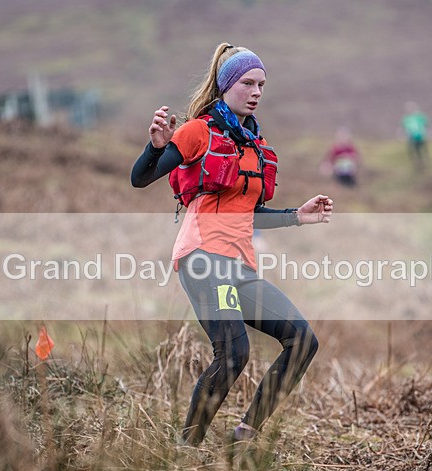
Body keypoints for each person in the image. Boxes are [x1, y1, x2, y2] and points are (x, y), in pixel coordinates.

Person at [130, 43, 334, 446]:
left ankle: (244, 435)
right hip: (204, 259)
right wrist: (155, 145)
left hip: (240, 266)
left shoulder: (254, 147)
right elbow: (142, 178)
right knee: (234, 353)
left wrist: (298, 215)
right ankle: (187, 447)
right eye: (247, 83)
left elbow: (250, 214)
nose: (256, 91)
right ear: (226, 86)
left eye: (261, 84)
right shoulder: (197, 131)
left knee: (302, 340)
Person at [401, 101, 430, 168]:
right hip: (411, 137)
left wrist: (428, 134)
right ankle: (416, 163)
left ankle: (424, 161)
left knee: (422, 149)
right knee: (412, 150)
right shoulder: (406, 118)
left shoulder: (420, 117)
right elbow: (402, 128)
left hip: (420, 136)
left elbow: (426, 126)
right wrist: (402, 136)